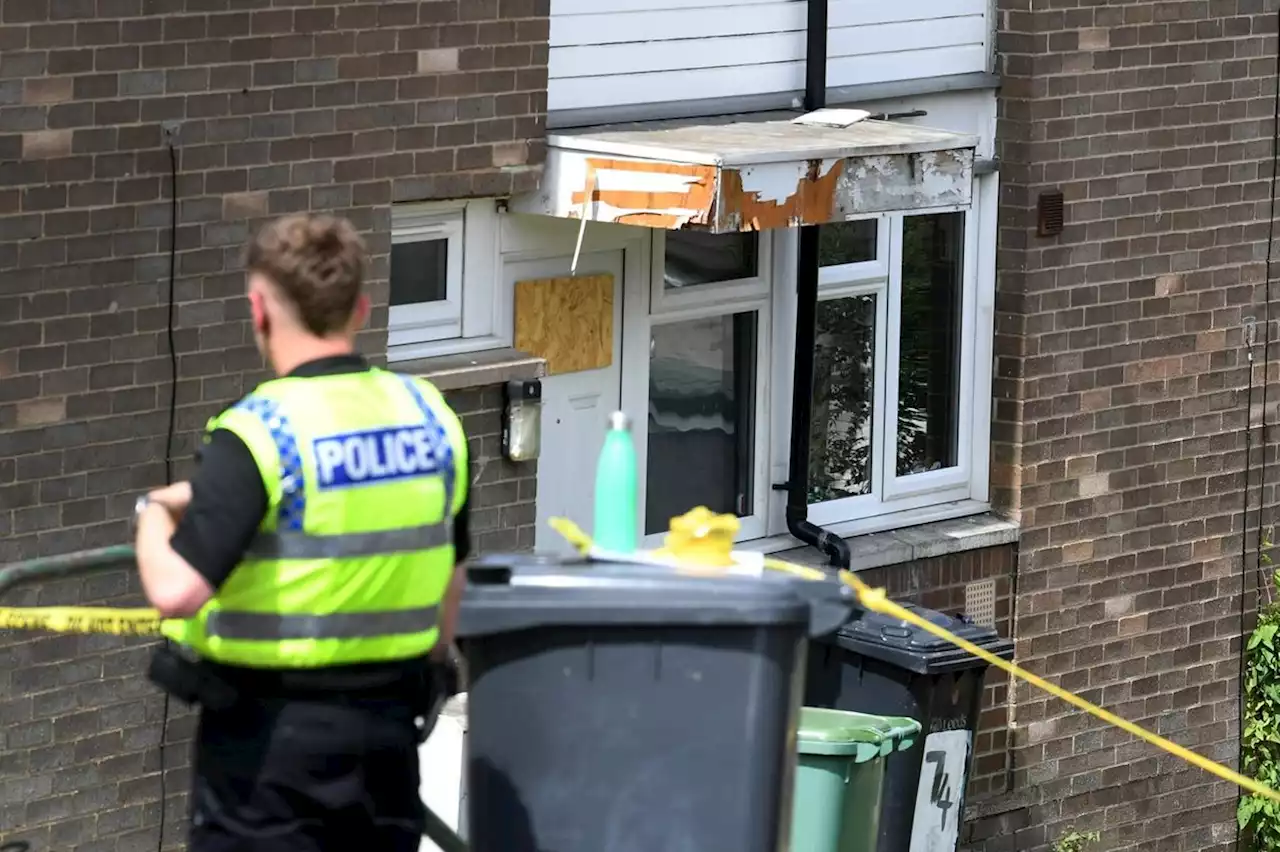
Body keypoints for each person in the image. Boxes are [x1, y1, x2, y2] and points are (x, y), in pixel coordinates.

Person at [133, 213, 470, 852]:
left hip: (270, 755)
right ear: (362, 310)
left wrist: (151, 513)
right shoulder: (431, 418)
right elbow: (449, 584)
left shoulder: (260, 432)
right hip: (388, 741)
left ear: (258, 310)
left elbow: (177, 593)